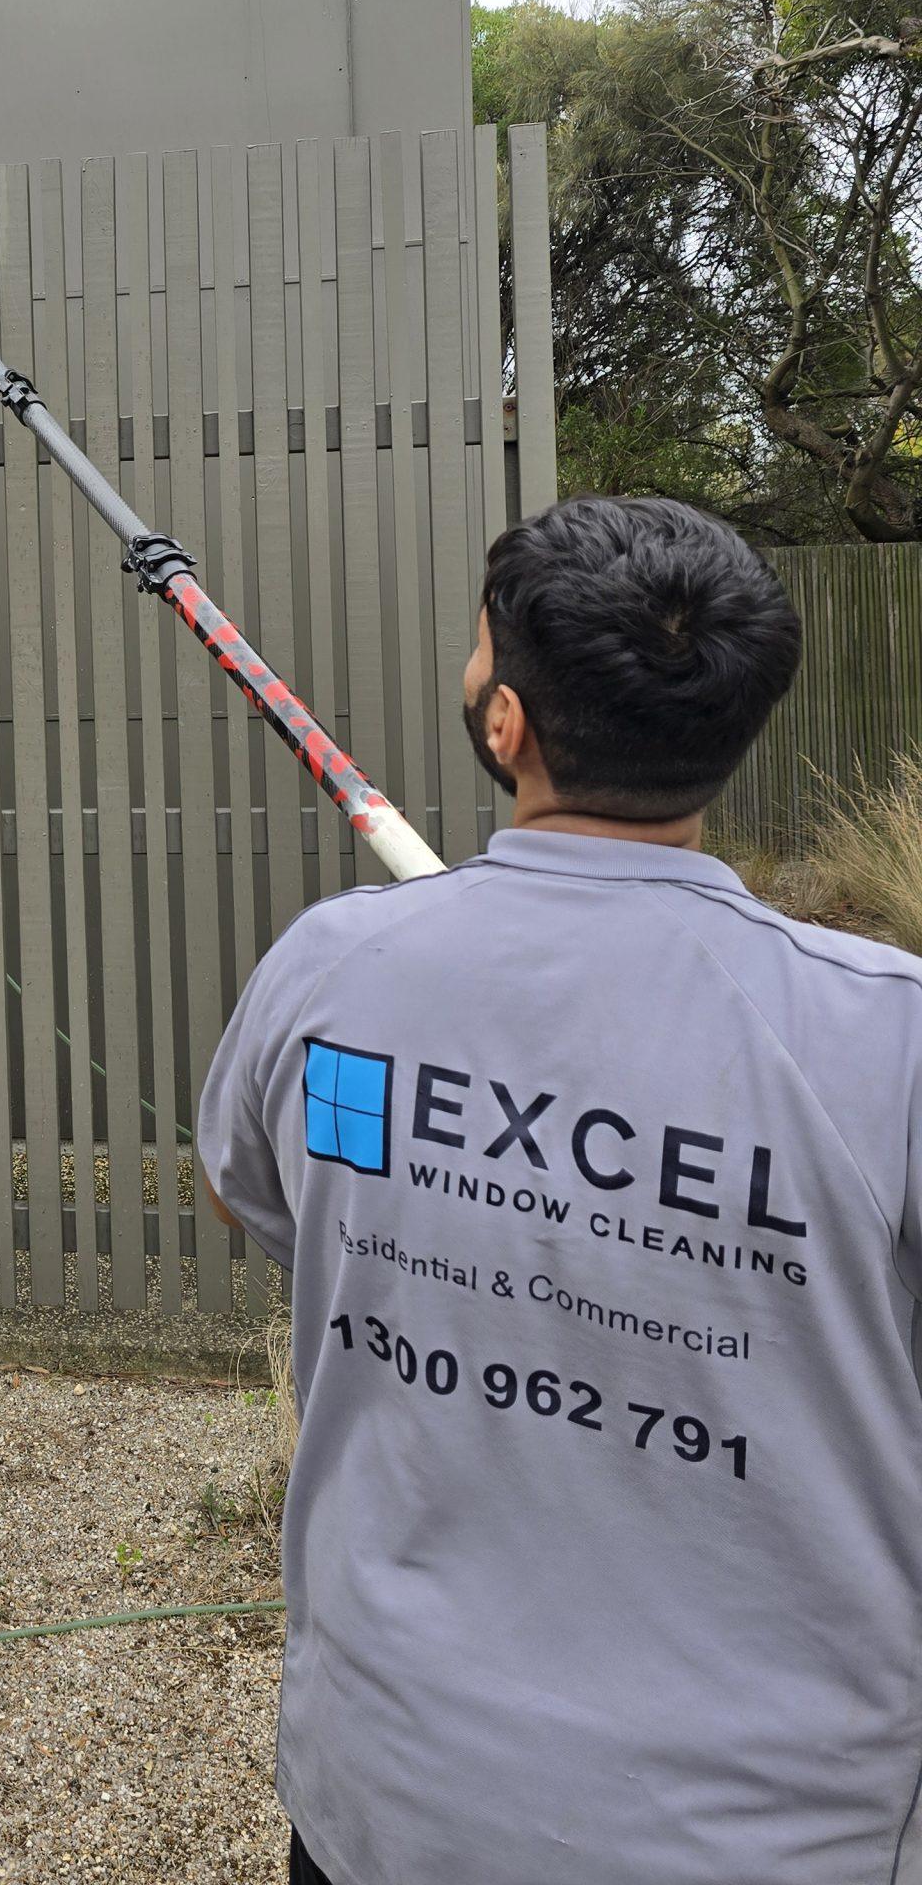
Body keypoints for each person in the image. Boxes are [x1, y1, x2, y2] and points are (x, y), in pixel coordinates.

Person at [198, 495, 922, 1885]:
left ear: (508, 725)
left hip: (393, 1811)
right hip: (765, 1833)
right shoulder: (880, 1035)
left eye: (482, 649)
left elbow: (246, 1200)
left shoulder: (337, 969)